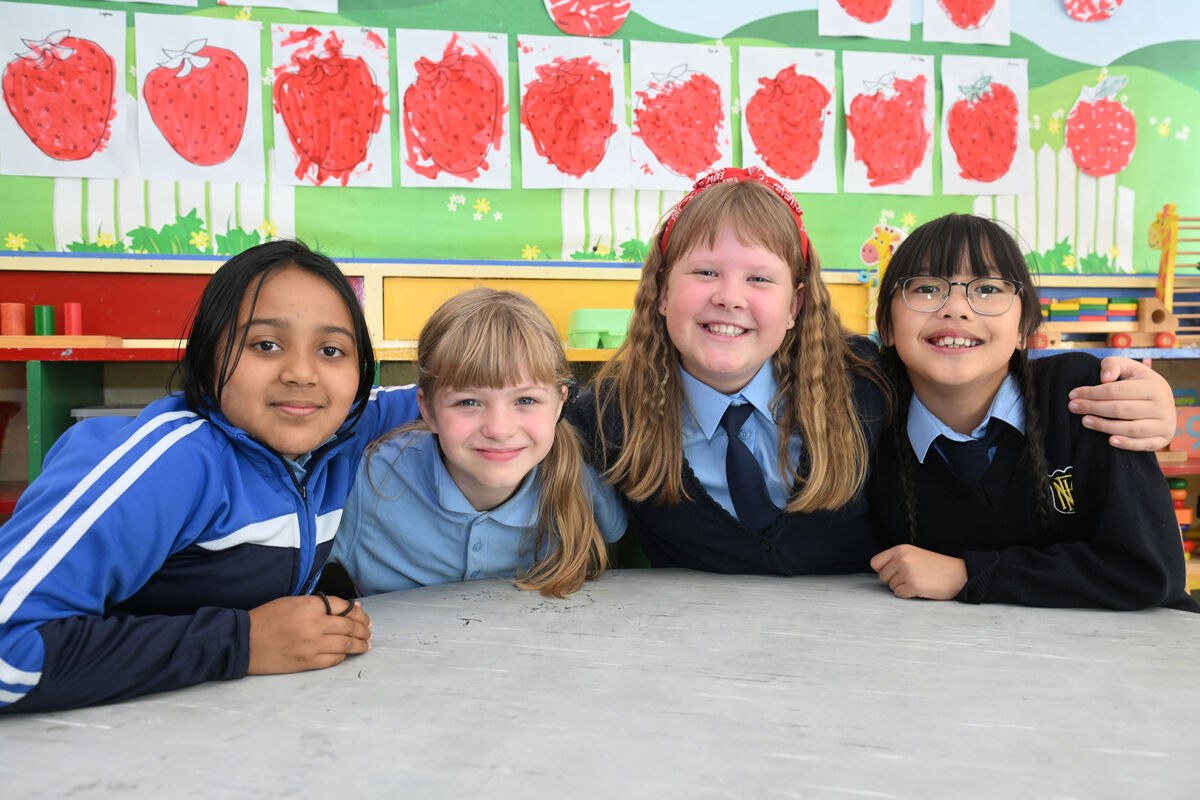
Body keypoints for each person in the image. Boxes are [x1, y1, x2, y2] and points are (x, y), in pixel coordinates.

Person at [570, 167, 1179, 577]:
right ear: (659, 293)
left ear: (796, 305)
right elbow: (513, 442)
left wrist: (1143, 397)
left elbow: (972, 363)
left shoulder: (869, 384)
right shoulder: (605, 416)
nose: (730, 297)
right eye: (704, 272)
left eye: (759, 278)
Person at [0, 240, 421, 713]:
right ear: (207, 360)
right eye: (265, 344)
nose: (303, 374)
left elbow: (444, 392)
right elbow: (7, 653)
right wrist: (241, 643)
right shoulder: (170, 465)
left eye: (331, 350)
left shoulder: (341, 428)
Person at [867, 214, 1197, 610]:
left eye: (988, 288)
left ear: (1024, 326)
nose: (956, 308)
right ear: (886, 324)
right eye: (925, 288)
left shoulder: (1082, 395)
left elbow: (1148, 570)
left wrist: (968, 575)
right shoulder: (868, 422)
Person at [329, 288, 625, 598]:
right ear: (428, 410)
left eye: (525, 399)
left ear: (559, 405)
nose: (499, 429)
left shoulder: (583, 489)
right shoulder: (366, 487)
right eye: (469, 402)